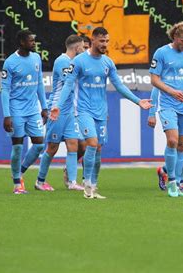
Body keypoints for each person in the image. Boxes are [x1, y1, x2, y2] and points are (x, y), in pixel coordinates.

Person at [50, 27, 152, 199]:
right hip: (83, 111)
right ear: (93, 40)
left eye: (107, 41)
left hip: (101, 112)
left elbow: (119, 85)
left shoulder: (108, 63)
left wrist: (137, 101)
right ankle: (87, 186)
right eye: (102, 41)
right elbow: (68, 85)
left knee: (97, 148)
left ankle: (93, 185)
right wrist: (58, 105)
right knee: (92, 142)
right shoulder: (80, 61)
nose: (105, 44)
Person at [149, 21, 183, 198]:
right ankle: (172, 182)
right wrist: (172, 91)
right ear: (174, 37)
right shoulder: (162, 53)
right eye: (182, 41)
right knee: (172, 141)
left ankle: (180, 182)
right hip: (167, 105)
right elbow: (154, 80)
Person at [35, 35, 86, 192]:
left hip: (69, 110)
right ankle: (40, 181)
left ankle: (71, 182)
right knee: (52, 147)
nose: (84, 50)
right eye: (83, 47)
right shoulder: (62, 61)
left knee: (73, 144)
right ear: (77, 48)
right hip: (57, 109)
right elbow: (68, 84)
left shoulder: (73, 63)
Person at [1, 30, 48, 194]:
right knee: (18, 147)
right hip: (16, 110)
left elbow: (40, 83)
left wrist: (44, 107)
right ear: (22, 42)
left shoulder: (36, 58)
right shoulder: (10, 62)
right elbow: (5, 91)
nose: (34, 43)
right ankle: (16, 184)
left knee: (39, 144)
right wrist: (7, 115)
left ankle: (20, 172)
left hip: (33, 109)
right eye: (31, 40)